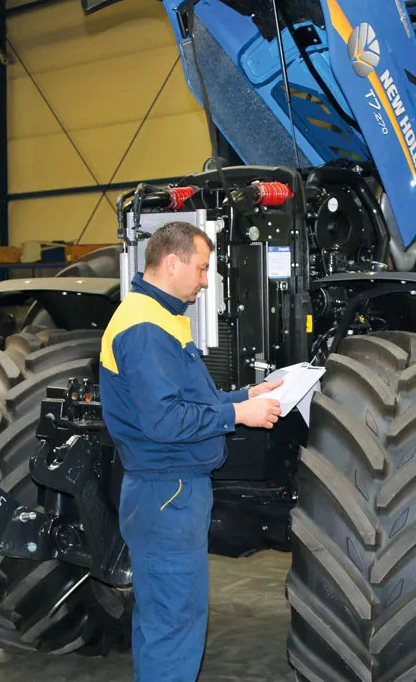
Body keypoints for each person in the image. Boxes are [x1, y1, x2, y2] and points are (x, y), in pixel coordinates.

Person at [99, 221, 282, 681]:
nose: (205, 280)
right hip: (168, 492)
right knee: (174, 621)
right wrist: (239, 415)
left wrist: (245, 395)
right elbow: (165, 421)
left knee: (164, 616)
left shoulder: (155, 317)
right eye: (201, 269)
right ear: (171, 263)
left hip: (167, 491)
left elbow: (189, 401)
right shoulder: (145, 329)